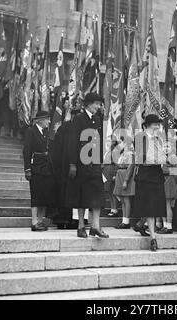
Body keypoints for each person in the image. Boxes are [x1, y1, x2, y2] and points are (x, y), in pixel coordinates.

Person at [66, 93, 109, 239]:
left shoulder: (97, 120)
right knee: (82, 196)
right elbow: (72, 141)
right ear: (88, 104)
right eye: (96, 104)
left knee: (98, 194)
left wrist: (101, 159)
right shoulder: (78, 119)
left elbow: (100, 141)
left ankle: (95, 226)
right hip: (81, 162)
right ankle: (81, 226)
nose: (98, 106)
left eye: (99, 104)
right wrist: (72, 163)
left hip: (95, 163)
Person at [132, 114, 167, 251]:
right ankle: (153, 238)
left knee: (155, 205)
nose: (157, 127)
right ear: (147, 125)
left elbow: (165, 156)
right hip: (145, 176)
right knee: (150, 206)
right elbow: (142, 158)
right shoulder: (140, 137)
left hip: (157, 175)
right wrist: (159, 158)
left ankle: (141, 223)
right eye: (155, 124)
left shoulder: (159, 139)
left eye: (158, 124)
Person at [23, 111, 56, 232]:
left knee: (44, 196)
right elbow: (26, 150)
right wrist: (27, 169)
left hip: (46, 167)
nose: (49, 122)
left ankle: (41, 221)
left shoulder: (47, 133)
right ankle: (34, 222)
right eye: (47, 119)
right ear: (40, 120)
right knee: (36, 195)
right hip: (36, 166)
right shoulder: (31, 131)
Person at [113, 137, 136, 229]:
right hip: (120, 174)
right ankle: (124, 220)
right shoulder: (123, 153)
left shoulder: (130, 154)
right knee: (122, 199)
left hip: (126, 174)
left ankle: (127, 221)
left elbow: (130, 167)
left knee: (126, 199)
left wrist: (126, 180)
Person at [103, 138, 120, 218]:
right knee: (109, 192)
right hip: (106, 171)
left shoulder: (115, 151)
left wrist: (115, 174)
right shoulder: (108, 151)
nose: (108, 142)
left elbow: (117, 163)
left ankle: (115, 209)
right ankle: (112, 209)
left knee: (113, 192)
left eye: (110, 141)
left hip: (111, 171)